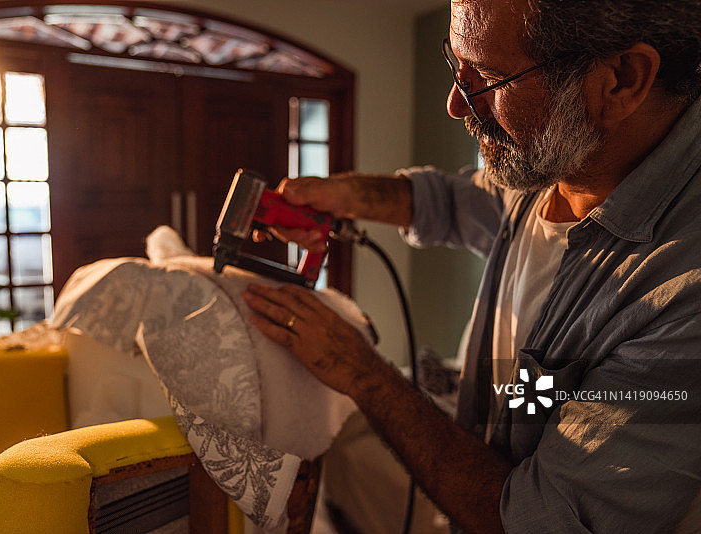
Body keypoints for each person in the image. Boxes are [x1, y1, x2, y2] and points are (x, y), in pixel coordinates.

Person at [242, 0, 701, 532]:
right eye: (453, 62)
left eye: (486, 74)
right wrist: (343, 195)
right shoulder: (563, 163)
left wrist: (361, 374)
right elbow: (457, 200)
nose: (456, 105)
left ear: (622, 79)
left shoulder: (681, 291)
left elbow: (534, 521)